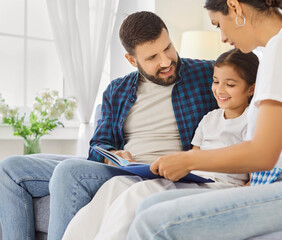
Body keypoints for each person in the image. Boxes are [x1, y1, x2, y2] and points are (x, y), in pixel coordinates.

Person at [126, 0, 282, 239]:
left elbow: (263, 154)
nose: (223, 37)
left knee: (155, 223)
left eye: (217, 24)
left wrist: (189, 160)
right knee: (148, 206)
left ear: (235, 7)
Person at [0, 11, 219, 240]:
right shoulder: (117, 90)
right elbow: (97, 145)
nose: (166, 62)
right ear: (132, 60)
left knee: (69, 171)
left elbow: (247, 94)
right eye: (152, 57)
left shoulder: (208, 75)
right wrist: (113, 153)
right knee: (9, 168)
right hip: (124, 168)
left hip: (163, 172)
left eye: (168, 48)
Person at [62, 49, 261, 240]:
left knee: (140, 193)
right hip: (196, 182)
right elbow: (193, 160)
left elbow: (254, 175)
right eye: (216, 81)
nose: (219, 90)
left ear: (251, 88)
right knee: (116, 184)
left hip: (222, 189)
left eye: (230, 85)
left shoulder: (251, 120)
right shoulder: (209, 119)